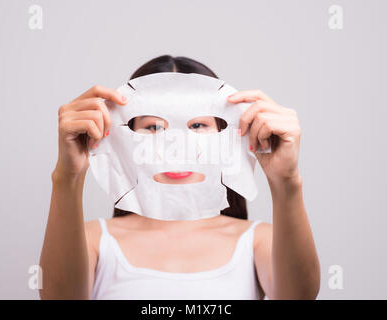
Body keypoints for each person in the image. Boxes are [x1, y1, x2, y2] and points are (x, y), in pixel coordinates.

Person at [39, 55, 320, 300]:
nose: (174, 146)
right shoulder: (92, 240)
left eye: (198, 124)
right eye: (153, 126)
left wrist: (287, 182)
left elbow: (298, 296)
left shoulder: (260, 241)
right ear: (123, 138)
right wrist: (67, 176)